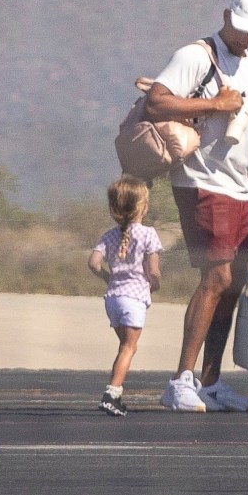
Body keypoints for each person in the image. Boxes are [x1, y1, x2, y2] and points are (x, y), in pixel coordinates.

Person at [146, 0, 248, 412]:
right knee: (216, 278)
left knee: (234, 284)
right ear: (225, 16)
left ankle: (211, 383)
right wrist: (215, 103)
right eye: (241, 29)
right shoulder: (196, 55)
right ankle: (180, 380)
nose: (246, 39)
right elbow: (157, 100)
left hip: (239, 188)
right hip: (201, 180)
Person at [88, 175, 162, 417]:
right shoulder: (148, 234)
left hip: (112, 298)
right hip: (134, 299)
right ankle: (111, 393)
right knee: (129, 348)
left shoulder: (108, 235)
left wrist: (109, 278)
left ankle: (116, 395)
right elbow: (153, 270)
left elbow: (94, 263)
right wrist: (155, 284)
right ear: (143, 207)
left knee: (124, 347)